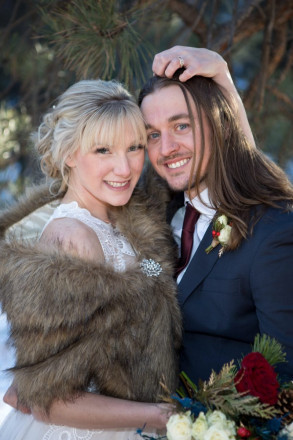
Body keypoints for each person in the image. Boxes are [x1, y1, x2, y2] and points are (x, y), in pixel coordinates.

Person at [0, 79, 182, 439]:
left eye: (134, 147)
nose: (125, 168)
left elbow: (145, 273)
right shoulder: (69, 240)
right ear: (69, 153)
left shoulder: (122, 217)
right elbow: (48, 400)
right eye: (103, 150)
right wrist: (163, 416)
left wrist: (149, 273)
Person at [138, 46, 293, 383]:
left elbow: (287, 377)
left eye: (181, 126)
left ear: (221, 125)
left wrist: (223, 78)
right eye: (153, 134)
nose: (166, 149)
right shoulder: (154, 219)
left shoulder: (272, 230)